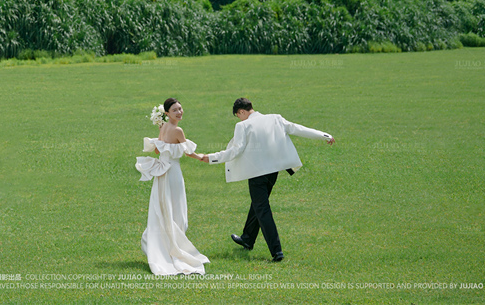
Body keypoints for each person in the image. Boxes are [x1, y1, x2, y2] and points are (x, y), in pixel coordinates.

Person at [198, 97, 335, 262]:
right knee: (258, 204)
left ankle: (277, 251)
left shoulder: (243, 125)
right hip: (273, 172)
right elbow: (297, 128)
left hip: (257, 175)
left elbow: (236, 151)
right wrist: (324, 135)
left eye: (238, 115)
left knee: (262, 209)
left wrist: (210, 158)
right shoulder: (275, 118)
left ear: (241, 112)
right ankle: (247, 238)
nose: (239, 118)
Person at [135, 97, 210, 275]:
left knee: (163, 207)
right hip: (173, 173)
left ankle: (164, 244)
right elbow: (188, 152)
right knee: (177, 209)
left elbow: (157, 150)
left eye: (181, 109)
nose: (180, 112)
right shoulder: (177, 130)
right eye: (175, 110)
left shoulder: (162, 127)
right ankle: (175, 247)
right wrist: (202, 157)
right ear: (167, 113)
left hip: (162, 174)